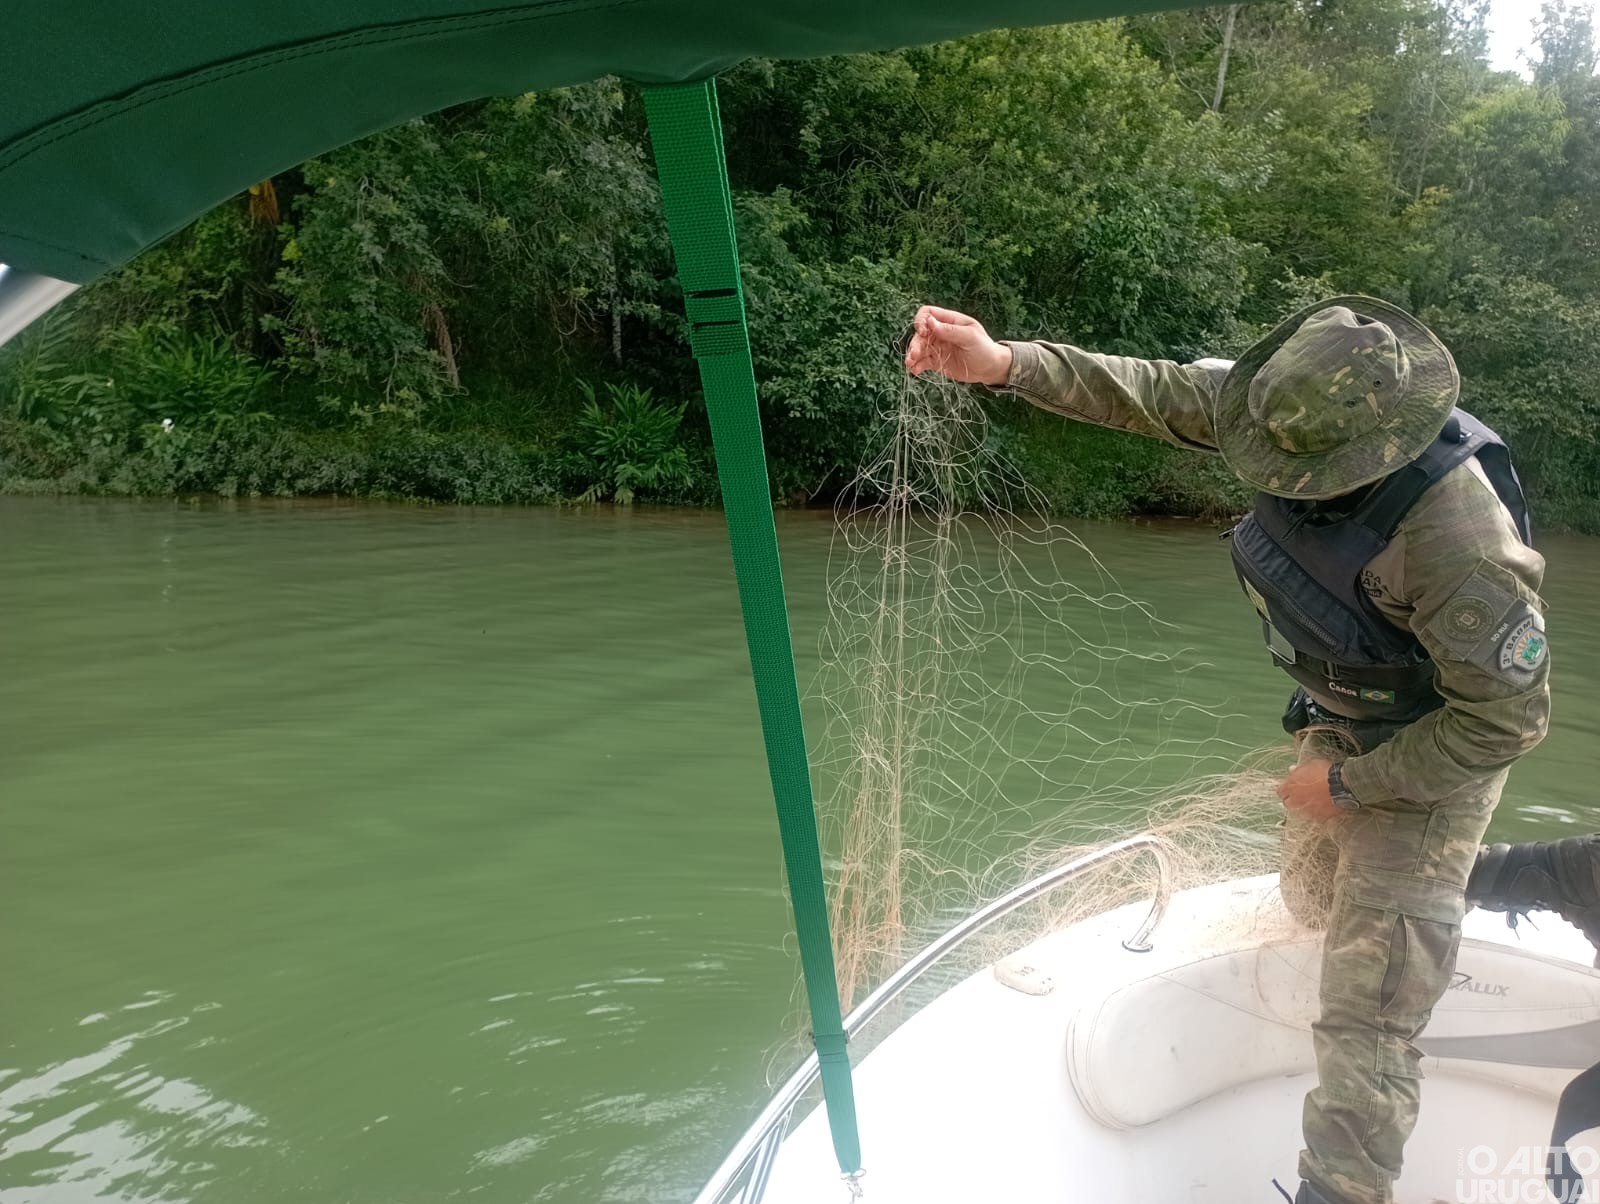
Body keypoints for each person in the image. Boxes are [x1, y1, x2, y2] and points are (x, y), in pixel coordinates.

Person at [904, 297, 1596, 1204]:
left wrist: (1349, 786)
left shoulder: (1461, 542)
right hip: (1339, 704)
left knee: (1368, 1014)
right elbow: (1150, 390)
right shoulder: (1284, 409)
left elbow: (1503, 722)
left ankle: (1341, 1189)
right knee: (1310, 897)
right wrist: (1004, 363)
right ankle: (1549, 875)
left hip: (1433, 748)